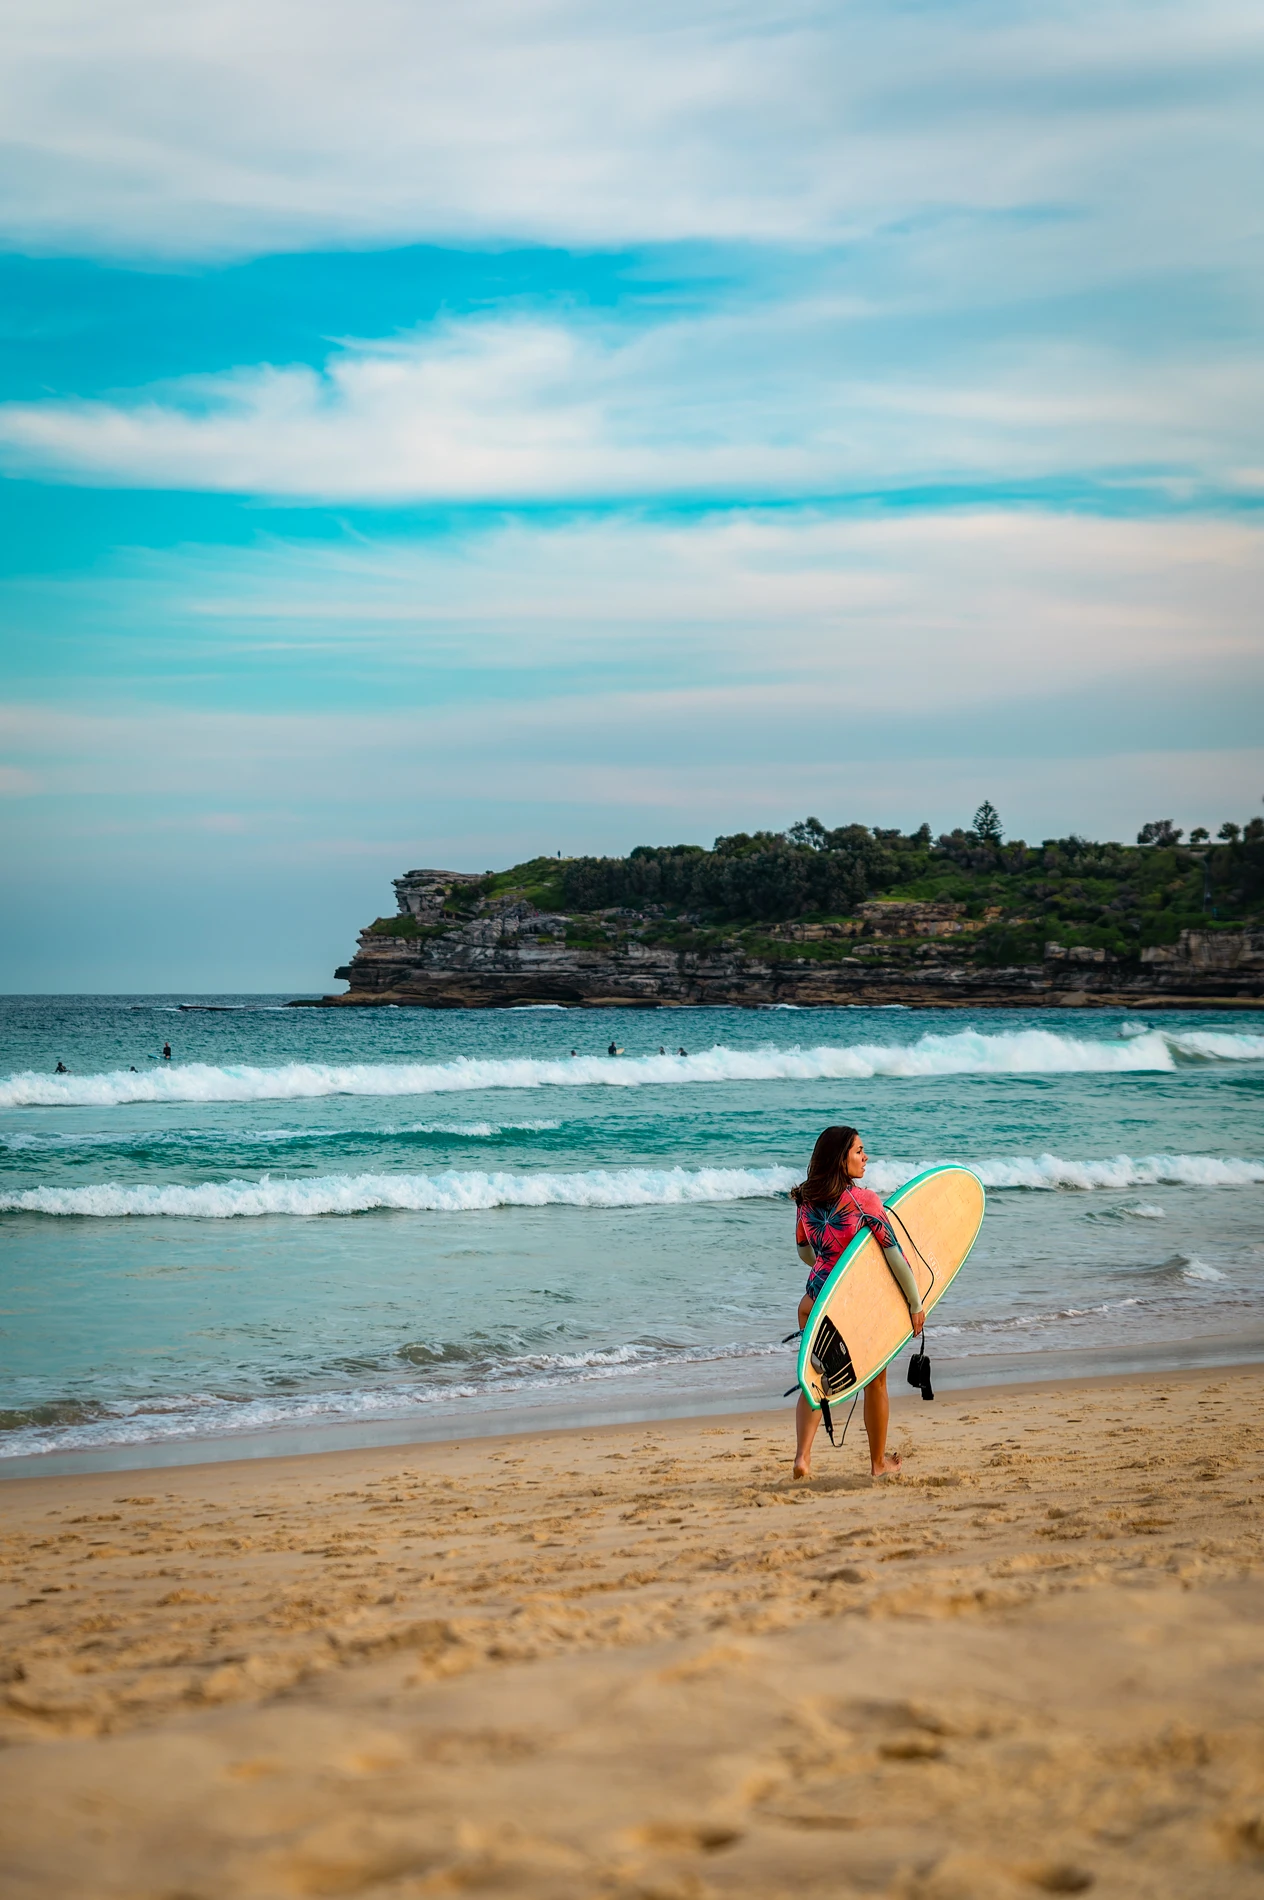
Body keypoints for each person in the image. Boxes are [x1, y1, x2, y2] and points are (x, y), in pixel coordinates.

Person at [791, 1124, 923, 1482]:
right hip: (855, 1309)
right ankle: (878, 1462)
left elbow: (806, 1252)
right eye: (859, 1151)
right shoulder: (864, 1201)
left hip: (814, 1303)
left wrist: (829, 1263)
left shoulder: (806, 1198)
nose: (866, 1157)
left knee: (814, 1379)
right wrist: (915, 1303)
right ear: (840, 1158)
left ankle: (802, 1457)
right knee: (875, 1384)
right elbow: (895, 1257)